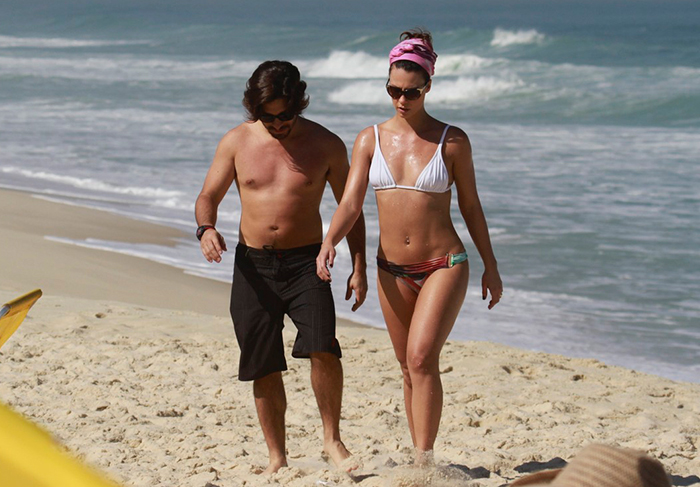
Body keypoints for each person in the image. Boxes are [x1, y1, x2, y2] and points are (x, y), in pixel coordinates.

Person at [316, 30, 503, 464]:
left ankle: (424, 460)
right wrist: (330, 241)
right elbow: (350, 202)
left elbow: (472, 207)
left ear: (428, 87)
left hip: (444, 264)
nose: (401, 100)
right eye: (393, 90)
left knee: (421, 359)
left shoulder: (452, 141)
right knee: (405, 366)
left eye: (411, 92)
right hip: (391, 269)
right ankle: (421, 456)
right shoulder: (369, 139)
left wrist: (491, 266)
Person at [195, 60, 367, 474]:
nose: (277, 124)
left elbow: (352, 209)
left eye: (285, 115)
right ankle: (278, 456)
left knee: (323, 346)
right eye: (267, 117)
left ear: (300, 103)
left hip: (308, 262)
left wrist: (359, 265)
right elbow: (207, 196)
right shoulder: (235, 142)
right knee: (263, 362)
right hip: (253, 266)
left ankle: (332, 439)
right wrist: (205, 229)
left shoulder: (326, 144)